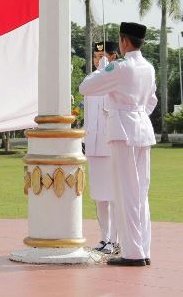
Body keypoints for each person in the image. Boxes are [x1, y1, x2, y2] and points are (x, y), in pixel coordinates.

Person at [79, 22, 157, 267]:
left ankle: (133, 253)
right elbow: (151, 101)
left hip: (123, 131)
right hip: (142, 129)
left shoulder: (121, 67)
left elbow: (86, 87)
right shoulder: (148, 67)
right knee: (140, 193)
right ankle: (142, 249)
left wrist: (102, 69)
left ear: (124, 41)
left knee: (125, 193)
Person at [84, 41, 120, 255]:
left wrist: (107, 72)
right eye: (96, 57)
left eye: (103, 56)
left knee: (113, 196)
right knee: (99, 196)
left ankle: (114, 240)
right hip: (94, 146)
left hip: (110, 146)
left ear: (113, 57)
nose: (98, 60)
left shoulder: (116, 79)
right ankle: (104, 237)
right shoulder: (90, 81)